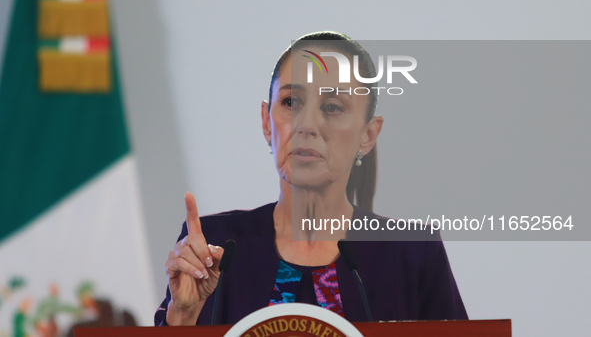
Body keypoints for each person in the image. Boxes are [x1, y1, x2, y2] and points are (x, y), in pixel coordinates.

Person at [154, 31, 467, 326]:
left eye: (332, 107)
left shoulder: (412, 252)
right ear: (266, 122)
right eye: (291, 103)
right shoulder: (213, 248)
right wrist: (182, 317)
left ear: (368, 135)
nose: (306, 125)